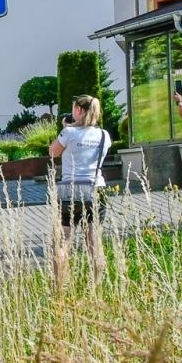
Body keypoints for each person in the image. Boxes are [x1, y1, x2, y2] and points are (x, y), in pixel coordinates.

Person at [47, 95, 112, 285]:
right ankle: (97, 287)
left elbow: (52, 152)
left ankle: (59, 289)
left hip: (70, 189)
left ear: (79, 110)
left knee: (62, 242)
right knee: (94, 241)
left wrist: (66, 128)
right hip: (96, 188)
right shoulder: (104, 135)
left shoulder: (69, 133)